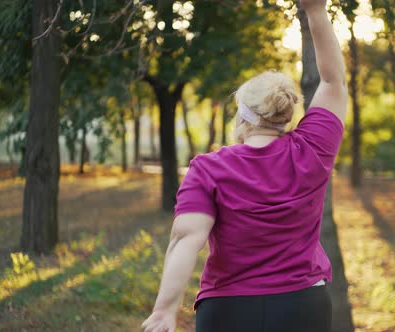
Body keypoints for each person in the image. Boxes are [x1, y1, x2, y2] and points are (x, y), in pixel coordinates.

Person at [141, 0, 347, 330]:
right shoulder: (311, 149)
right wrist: (316, 11)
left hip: (228, 309)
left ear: (242, 118)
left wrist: (165, 310)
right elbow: (333, 82)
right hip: (303, 306)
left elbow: (185, 239)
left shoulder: (208, 168)